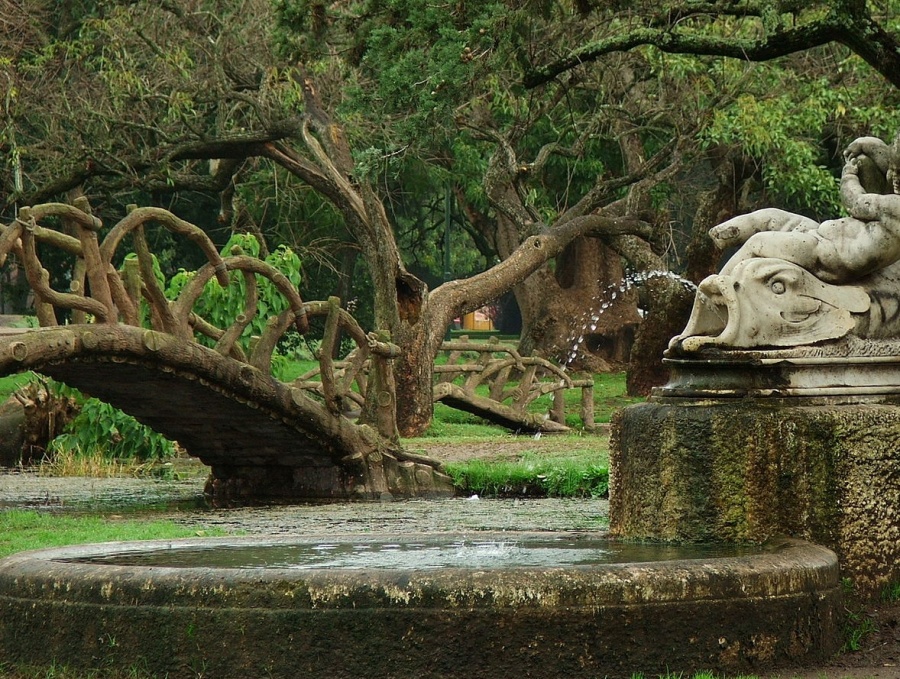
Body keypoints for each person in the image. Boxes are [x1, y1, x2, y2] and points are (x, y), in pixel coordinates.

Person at [709, 136, 900, 285]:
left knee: (758, 243)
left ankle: (715, 292)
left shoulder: (894, 207)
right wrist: (869, 144)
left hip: (828, 257)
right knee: (773, 217)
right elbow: (891, 168)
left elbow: (856, 202)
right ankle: (721, 236)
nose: (890, 174)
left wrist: (848, 176)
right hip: (823, 237)